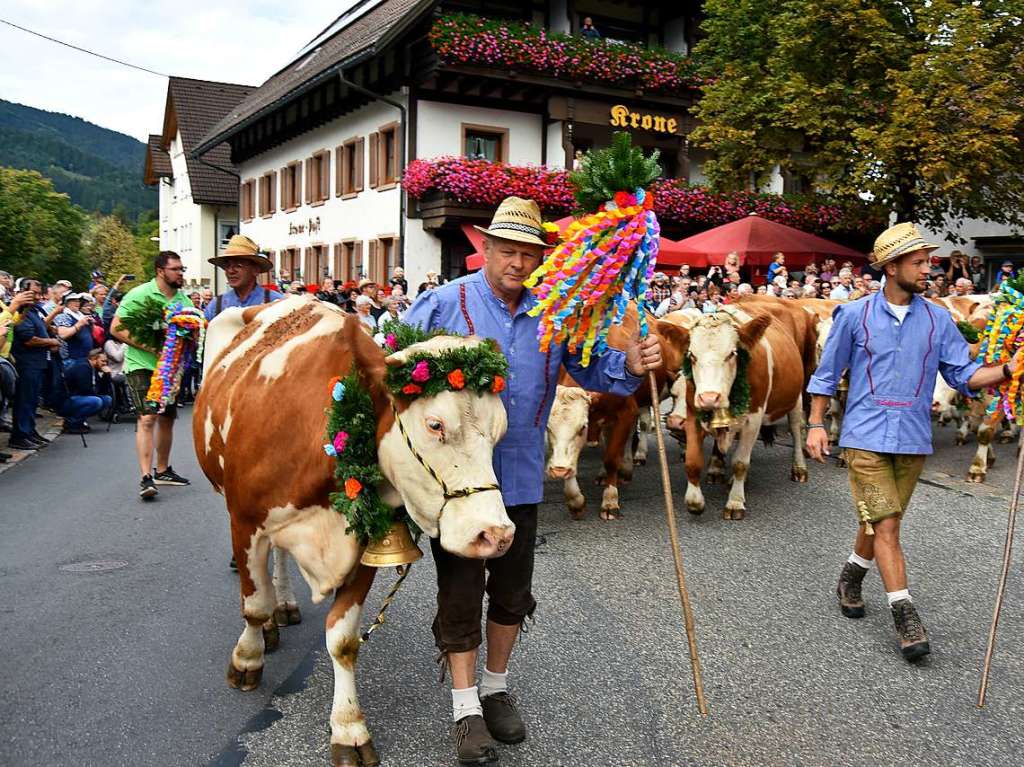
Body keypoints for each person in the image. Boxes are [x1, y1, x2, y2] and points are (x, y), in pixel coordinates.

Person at [404, 196, 660, 764]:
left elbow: (591, 369)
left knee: (513, 594)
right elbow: (392, 372)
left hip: (519, 476)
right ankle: (465, 709)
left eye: (528, 254)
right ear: (485, 250)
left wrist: (631, 366)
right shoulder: (442, 304)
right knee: (461, 593)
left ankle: (495, 689)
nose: (517, 264)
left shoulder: (554, 313)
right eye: (507, 252)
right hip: (458, 486)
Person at [806, 222, 1023, 663]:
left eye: (929, 262)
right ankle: (905, 615)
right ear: (891, 266)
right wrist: (815, 423)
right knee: (885, 523)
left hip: (912, 439)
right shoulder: (854, 315)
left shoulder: (938, 319)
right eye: (919, 262)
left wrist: (1008, 369)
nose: (929, 269)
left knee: (880, 522)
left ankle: (850, 578)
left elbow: (963, 377)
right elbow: (826, 376)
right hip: (864, 437)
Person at [111, 252, 194, 499]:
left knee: (167, 418)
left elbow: (190, 333)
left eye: (182, 269)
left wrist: (187, 342)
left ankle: (163, 469)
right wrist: (152, 348)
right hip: (140, 366)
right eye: (176, 269)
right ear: (160, 271)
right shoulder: (139, 294)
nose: (181, 273)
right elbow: (116, 328)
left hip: (169, 368)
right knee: (147, 418)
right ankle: (146, 477)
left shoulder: (183, 299)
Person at [8, 279, 61, 450]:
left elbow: (40, 326)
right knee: (24, 399)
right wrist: (50, 341)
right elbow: (28, 339)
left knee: (32, 400)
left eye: (39, 293)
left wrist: (49, 328)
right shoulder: (20, 311)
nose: (37, 297)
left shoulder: (35, 309)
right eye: (34, 293)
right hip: (26, 362)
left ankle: (30, 431)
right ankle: (20, 434)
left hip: (38, 362)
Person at [205, 235, 282, 322]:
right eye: (227, 266)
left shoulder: (275, 302)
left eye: (238, 266)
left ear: (255, 270)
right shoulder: (216, 306)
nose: (231, 271)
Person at [58, 349, 112, 434]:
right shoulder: (83, 367)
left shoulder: (95, 369)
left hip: (80, 397)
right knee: (96, 401)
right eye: (103, 361)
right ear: (94, 359)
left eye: (106, 361)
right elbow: (85, 390)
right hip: (67, 399)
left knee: (107, 399)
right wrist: (97, 395)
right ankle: (72, 422)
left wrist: (106, 375)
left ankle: (78, 422)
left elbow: (104, 391)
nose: (105, 364)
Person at [53, 293, 96, 361]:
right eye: (74, 301)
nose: (78, 303)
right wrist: (79, 324)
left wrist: (91, 324)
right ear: (67, 303)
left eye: (78, 301)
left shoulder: (80, 315)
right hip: (71, 359)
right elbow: (63, 335)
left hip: (84, 357)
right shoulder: (63, 315)